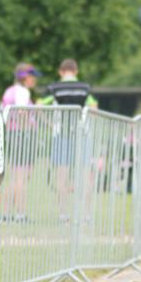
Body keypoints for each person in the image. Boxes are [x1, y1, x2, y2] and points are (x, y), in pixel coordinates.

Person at [40, 59, 98, 212]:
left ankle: (63, 213)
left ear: (61, 71)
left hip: (61, 134)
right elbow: (94, 108)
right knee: (86, 176)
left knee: (61, 177)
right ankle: (86, 213)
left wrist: (49, 124)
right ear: (76, 71)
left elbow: (39, 105)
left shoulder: (54, 88)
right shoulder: (85, 88)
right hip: (82, 133)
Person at [0, 63, 40, 221]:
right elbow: (22, 113)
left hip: (13, 134)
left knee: (16, 177)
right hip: (22, 135)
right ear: (25, 77)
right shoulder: (23, 91)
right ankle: (20, 213)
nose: (35, 80)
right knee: (21, 177)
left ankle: (6, 212)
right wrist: (27, 131)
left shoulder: (10, 90)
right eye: (32, 76)